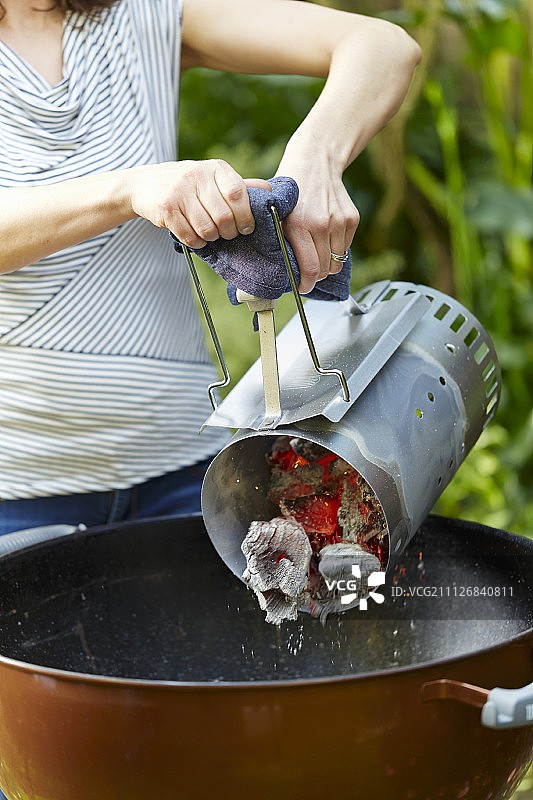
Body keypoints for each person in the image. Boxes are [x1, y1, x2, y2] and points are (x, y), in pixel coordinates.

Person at [0, 0, 421, 537]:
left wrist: (315, 159)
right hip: (18, 487)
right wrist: (128, 189)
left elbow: (384, 47)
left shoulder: (144, 15)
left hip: (187, 468)